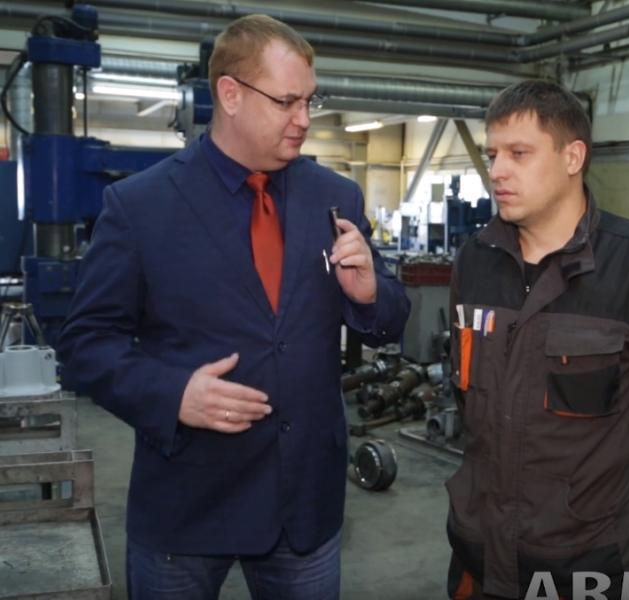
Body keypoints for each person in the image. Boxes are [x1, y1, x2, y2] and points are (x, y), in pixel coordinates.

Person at [57, 14, 409, 600]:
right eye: (287, 101)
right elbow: (85, 344)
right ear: (230, 94)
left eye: (310, 101)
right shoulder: (140, 206)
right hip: (188, 505)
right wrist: (173, 395)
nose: (304, 119)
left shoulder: (334, 197)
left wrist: (371, 293)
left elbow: (389, 319)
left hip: (304, 507)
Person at [445, 80, 629, 599]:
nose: (497, 171)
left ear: (572, 157)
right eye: (492, 154)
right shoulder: (475, 261)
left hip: (592, 566)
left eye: (519, 154)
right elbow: (467, 396)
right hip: (478, 556)